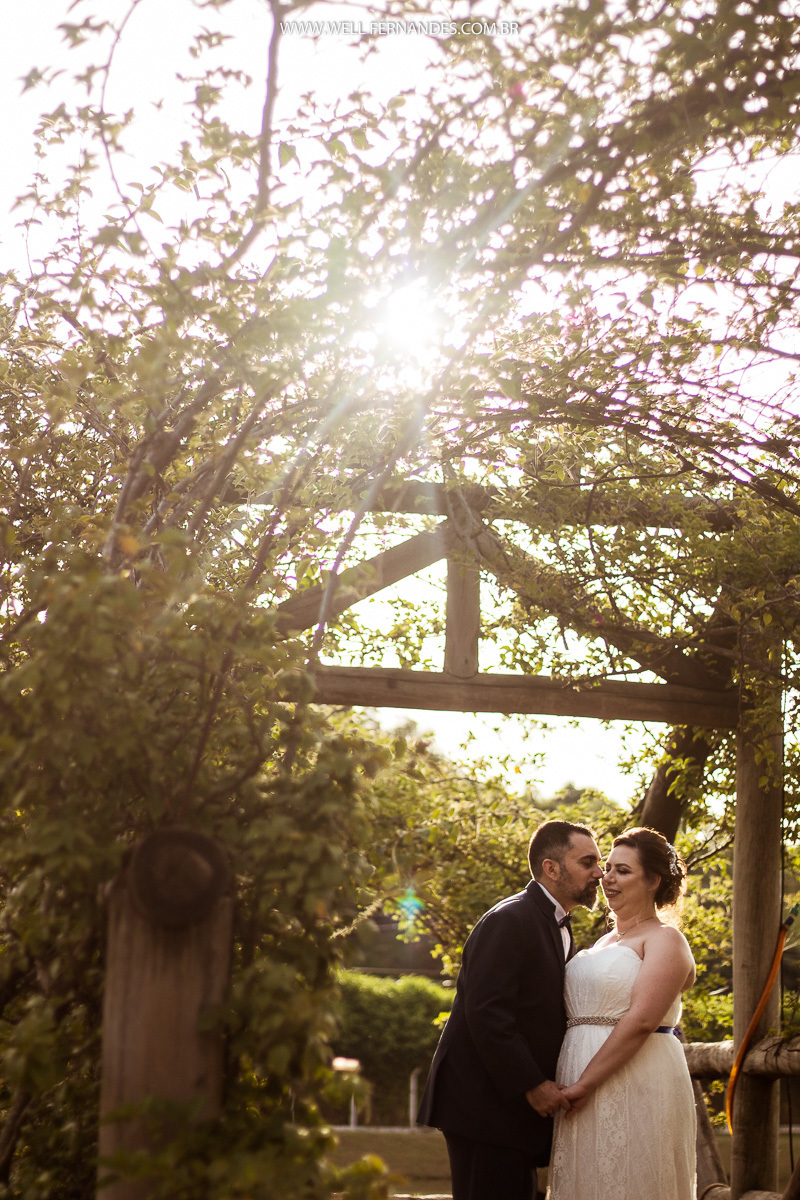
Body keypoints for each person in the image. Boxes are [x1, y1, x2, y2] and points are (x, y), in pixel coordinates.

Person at [417, 820, 603, 1200]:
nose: (599, 873)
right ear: (551, 868)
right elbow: (487, 1012)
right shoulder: (509, 919)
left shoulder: (555, 923)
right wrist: (531, 1085)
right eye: (588, 862)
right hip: (484, 1106)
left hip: (509, 1112)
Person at [547, 826, 696, 1200]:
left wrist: (584, 1084)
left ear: (653, 881)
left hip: (637, 1078)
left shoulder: (666, 939)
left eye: (622, 871)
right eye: (607, 867)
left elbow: (643, 1019)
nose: (606, 878)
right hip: (580, 1076)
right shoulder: (602, 942)